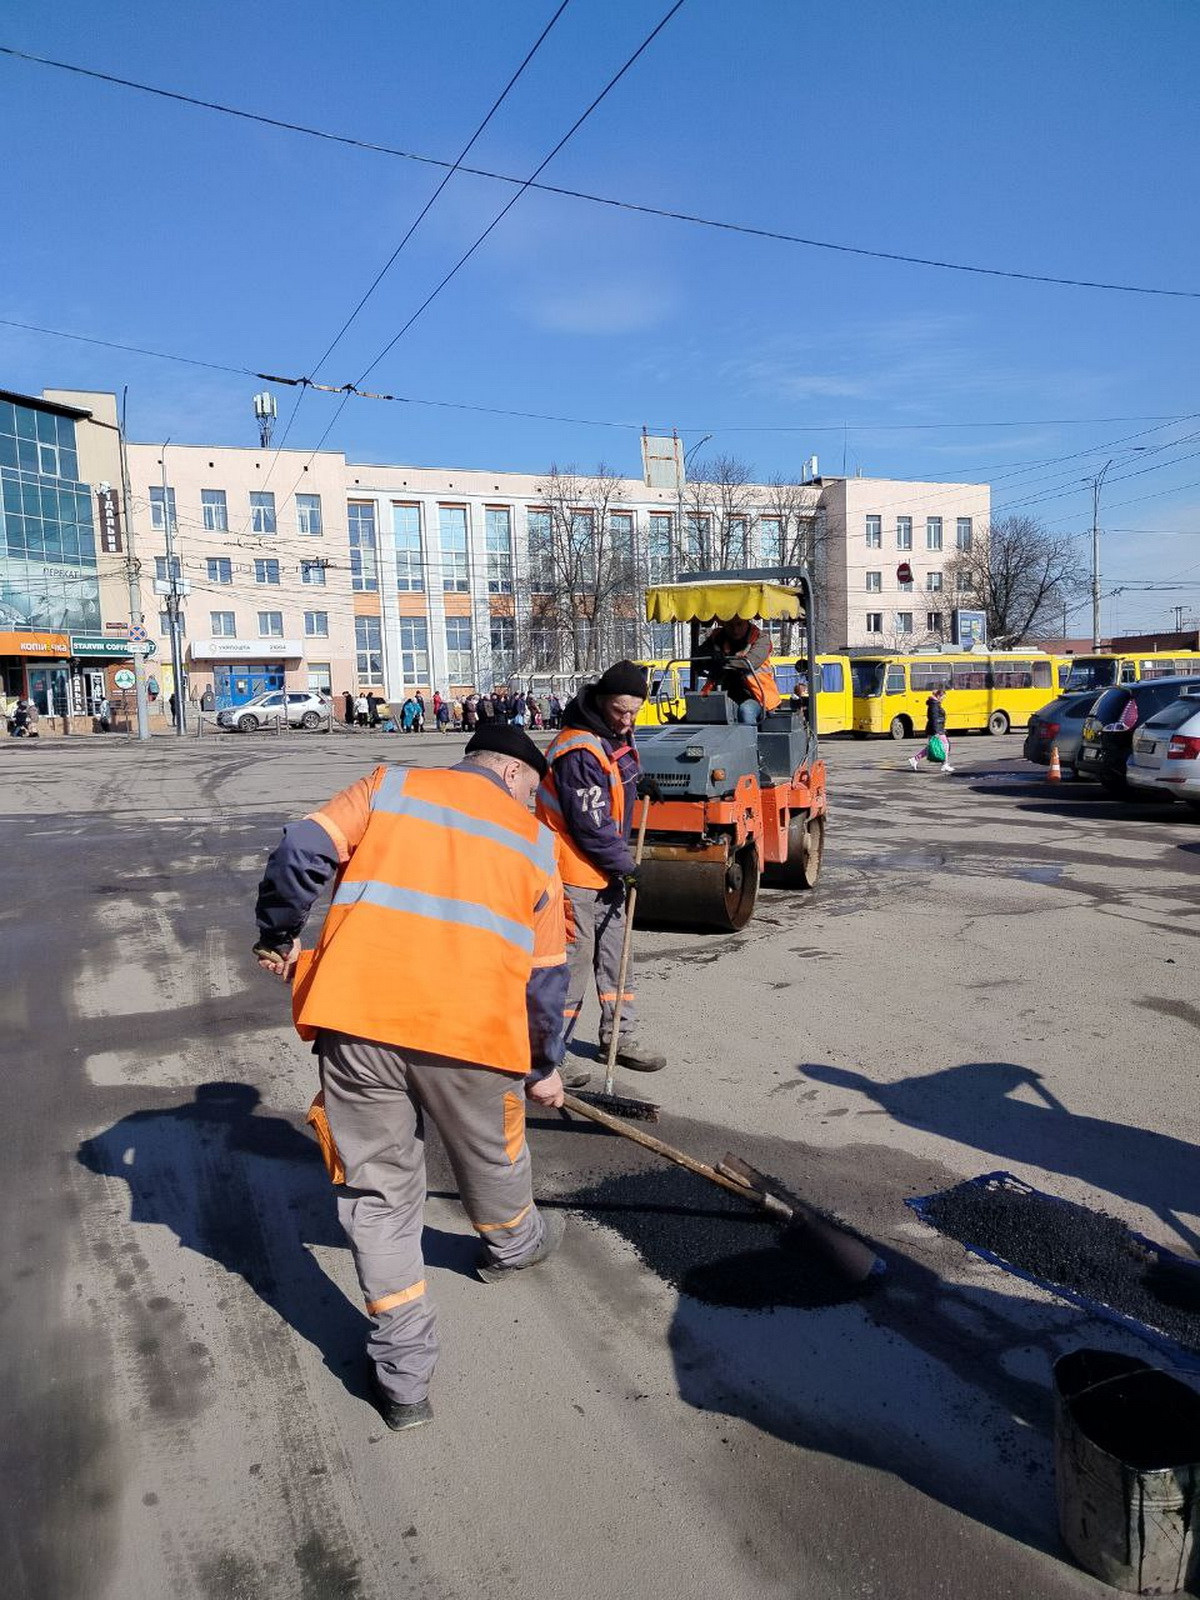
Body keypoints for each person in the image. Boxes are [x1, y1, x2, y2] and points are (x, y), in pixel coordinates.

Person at [252, 724, 568, 1433]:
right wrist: (544, 1066)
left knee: (379, 1196)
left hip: (359, 1022)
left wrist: (278, 934)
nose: (530, 804)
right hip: (475, 1039)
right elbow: (547, 977)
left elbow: (301, 848)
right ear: (513, 774)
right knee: (492, 1154)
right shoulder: (534, 844)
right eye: (531, 791)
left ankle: (404, 1383)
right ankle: (512, 1247)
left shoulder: (388, 787)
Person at [536, 660, 666, 1086]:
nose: (627, 720)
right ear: (601, 701)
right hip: (572, 872)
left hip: (604, 869)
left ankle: (619, 1037)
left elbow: (616, 774)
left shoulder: (613, 734)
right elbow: (589, 823)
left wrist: (638, 782)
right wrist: (627, 867)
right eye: (619, 711)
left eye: (634, 712)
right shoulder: (577, 749)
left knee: (617, 957)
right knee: (572, 965)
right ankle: (552, 1054)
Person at [695, 615, 781, 724]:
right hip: (720, 693)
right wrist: (711, 655)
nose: (735, 630)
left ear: (747, 621)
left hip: (757, 698)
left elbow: (750, 662)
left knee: (746, 711)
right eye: (730, 625)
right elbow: (699, 656)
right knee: (697, 712)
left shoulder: (761, 639)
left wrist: (721, 663)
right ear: (724, 624)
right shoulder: (717, 637)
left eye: (739, 624)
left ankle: (750, 734)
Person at [908, 687, 954, 774]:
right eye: (943, 697)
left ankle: (915, 759)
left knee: (932, 747)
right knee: (945, 745)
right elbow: (934, 718)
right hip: (936, 729)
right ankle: (944, 764)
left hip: (937, 728)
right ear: (939, 696)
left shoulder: (935, 703)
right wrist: (936, 731)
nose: (943, 699)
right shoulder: (934, 704)